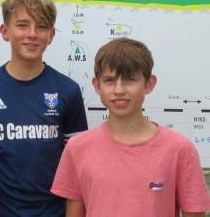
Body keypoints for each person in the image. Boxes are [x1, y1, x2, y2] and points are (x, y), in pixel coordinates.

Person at [51, 38, 210, 217]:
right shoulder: (77, 148)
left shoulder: (180, 149)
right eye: (110, 80)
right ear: (97, 85)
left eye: (130, 79)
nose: (119, 90)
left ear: (149, 84)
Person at [0, 0, 88, 217]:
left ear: (51, 35)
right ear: (5, 31)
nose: (32, 34)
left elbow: (78, 167)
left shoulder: (68, 90)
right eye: (22, 25)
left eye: (41, 27)